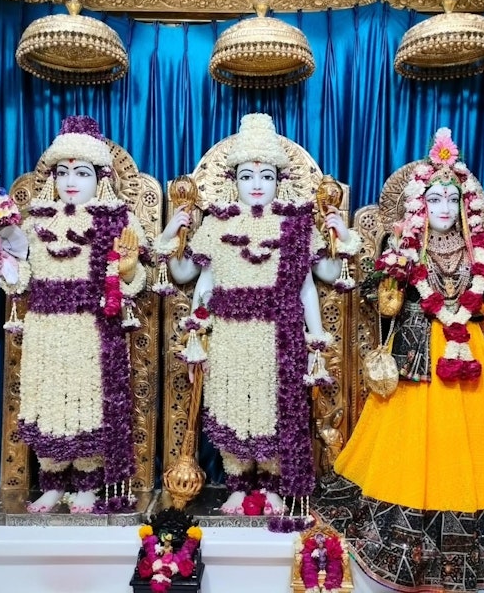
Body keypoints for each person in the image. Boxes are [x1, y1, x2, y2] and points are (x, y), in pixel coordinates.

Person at [313, 127, 484, 591]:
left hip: (469, 358)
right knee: (412, 446)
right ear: (419, 205)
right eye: (433, 199)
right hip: (419, 358)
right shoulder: (403, 248)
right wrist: (392, 273)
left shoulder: (481, 254)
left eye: (450, 199)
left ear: (462, 206)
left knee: (470, 447)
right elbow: (380, 302)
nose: (441, 207)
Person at [153, 113, 360, 515]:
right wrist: (171, 233)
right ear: (234, 181)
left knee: (272, 408)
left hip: (278, 334)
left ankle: (270, 485)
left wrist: (341, 234)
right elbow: (191, 277)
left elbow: (321, 278)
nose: (257, 185)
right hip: (229, 333)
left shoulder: (296, 226)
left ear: (279, 180)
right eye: (247, 176)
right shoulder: (217, 225)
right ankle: (237, 483)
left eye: (266, 176)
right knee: (231, 404)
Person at [0, 115, 149, 513]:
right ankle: (51, 481)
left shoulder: (117, 220)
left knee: (87, 403)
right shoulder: (34, 223)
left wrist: (127, 270)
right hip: (45, 328)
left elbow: (136, 280)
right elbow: (21, 280)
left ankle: (87, 483)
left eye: (81, 173)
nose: (70, 181)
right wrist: (4, 265)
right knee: (48, 402)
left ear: (101, 178)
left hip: (91, 329)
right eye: (62, 172)